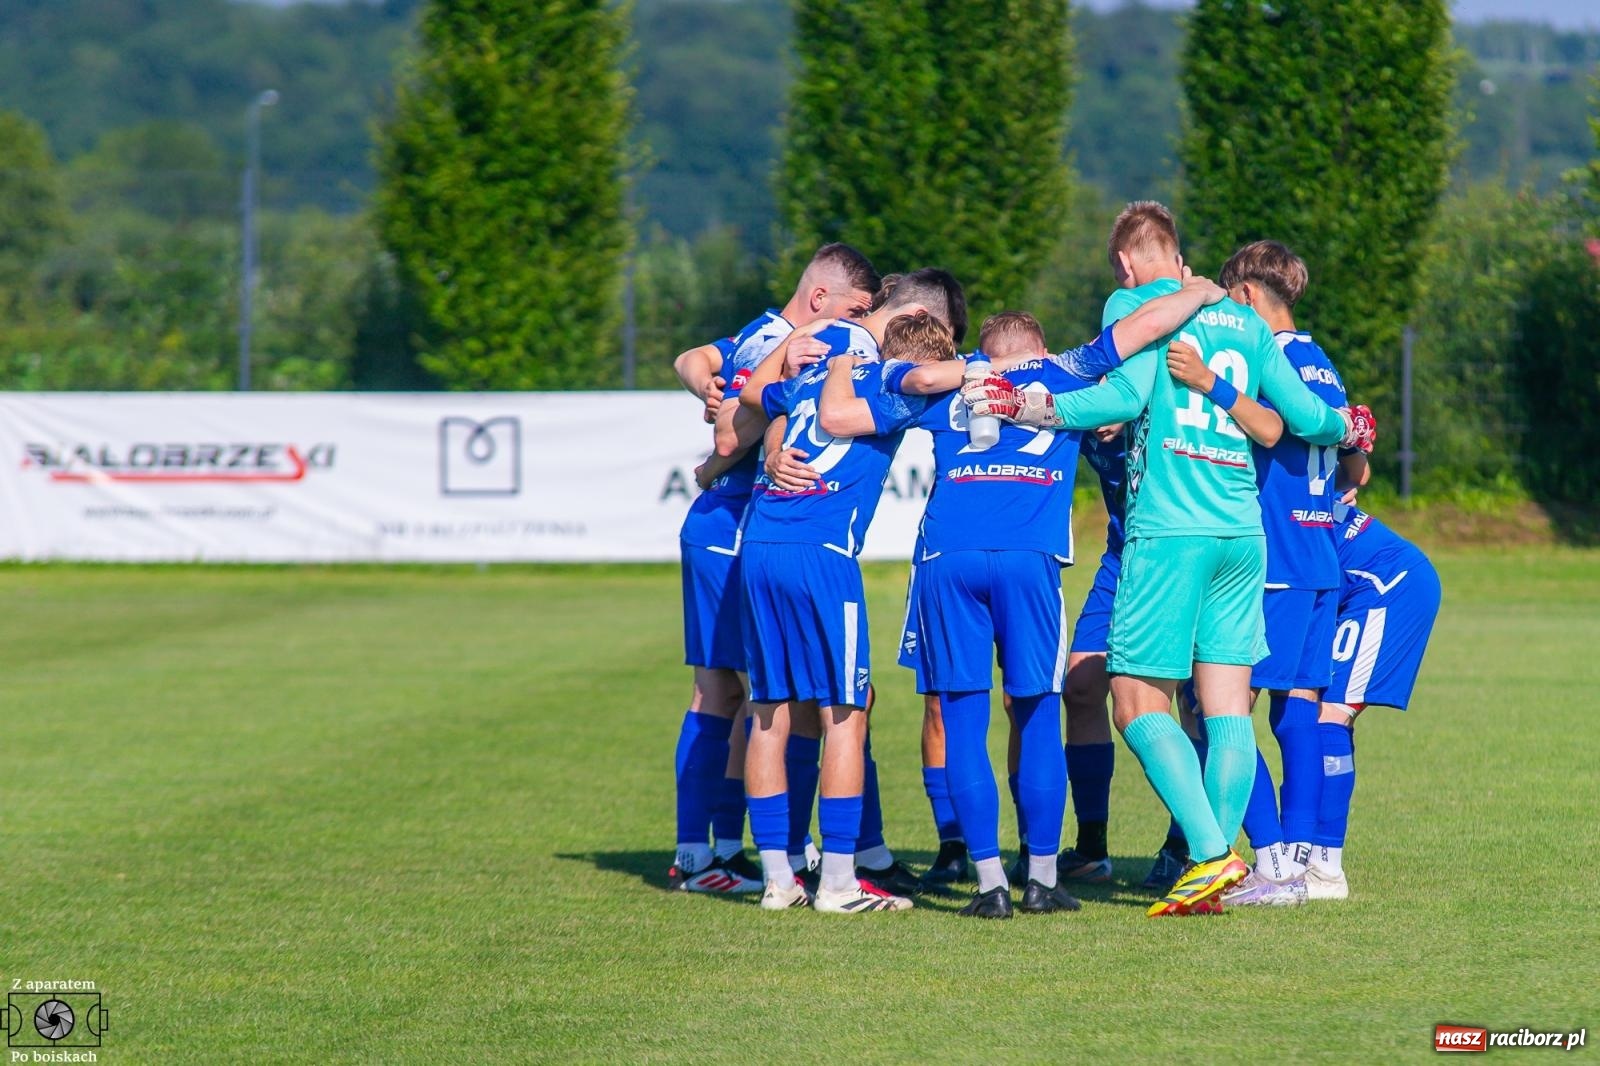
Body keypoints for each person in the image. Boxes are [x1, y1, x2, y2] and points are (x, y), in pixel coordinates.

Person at [965, 201, 1374, 916]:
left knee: (1135, 703)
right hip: (1242, 535)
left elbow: (1115, 395)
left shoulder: (1135, 304)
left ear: (1126, 263)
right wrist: (1350, 425)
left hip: (1170, 532)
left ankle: (1212, 855)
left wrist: (1023, 407)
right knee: (1226, 710)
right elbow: (1303, 421)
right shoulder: (1245, 323)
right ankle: (1208, 875)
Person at [863, 279, 1241, 917]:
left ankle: (987, 886)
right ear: (1037, 350)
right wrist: (1197, 293)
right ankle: (1042, 878)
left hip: (949, 556)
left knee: (960, 718)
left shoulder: (951, 380)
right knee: (1037, 710)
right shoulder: (1066, 376)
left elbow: (868, 404)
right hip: (1029, 561)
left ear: (984, 349)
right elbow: (1138, 338)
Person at [736, 270, 965, 912]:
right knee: (847, 712)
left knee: (770, 715)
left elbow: (763, 399)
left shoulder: (817, 364)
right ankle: (838, 881)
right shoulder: (890, 378)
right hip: (822, 553)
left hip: (760, 544)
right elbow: (919, 380)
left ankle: (779, 880)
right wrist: (980, 366)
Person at [664, 243, 879, 893]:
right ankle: (710, 854)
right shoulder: (788, 340)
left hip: (743, 527)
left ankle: (747, 848)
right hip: (732, 529)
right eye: (856, 312)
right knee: (741, 694)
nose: (859, 329)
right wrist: (729, 436)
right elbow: (731, 437)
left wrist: (703, 378)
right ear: (820, 301)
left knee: (758, 696)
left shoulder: (766, 331)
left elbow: (694, 357)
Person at [1201, 240, 1357, 907]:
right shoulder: (1323, 364)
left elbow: (1261, 427)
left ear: (1243, 297)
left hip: (1280, 561)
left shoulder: (1268, 360)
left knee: (1219, 710)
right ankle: (1303, 863)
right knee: (1300, 713)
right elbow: (1355, 465)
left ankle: (1271, 864)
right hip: (1321, 554)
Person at [1312, 496, 1442, 899]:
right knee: (1317, 713)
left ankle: (1325, 870)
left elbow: (1360, 455)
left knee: (1329, 715)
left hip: (1389, 587)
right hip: (1366, 586)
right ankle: (1306, 856)